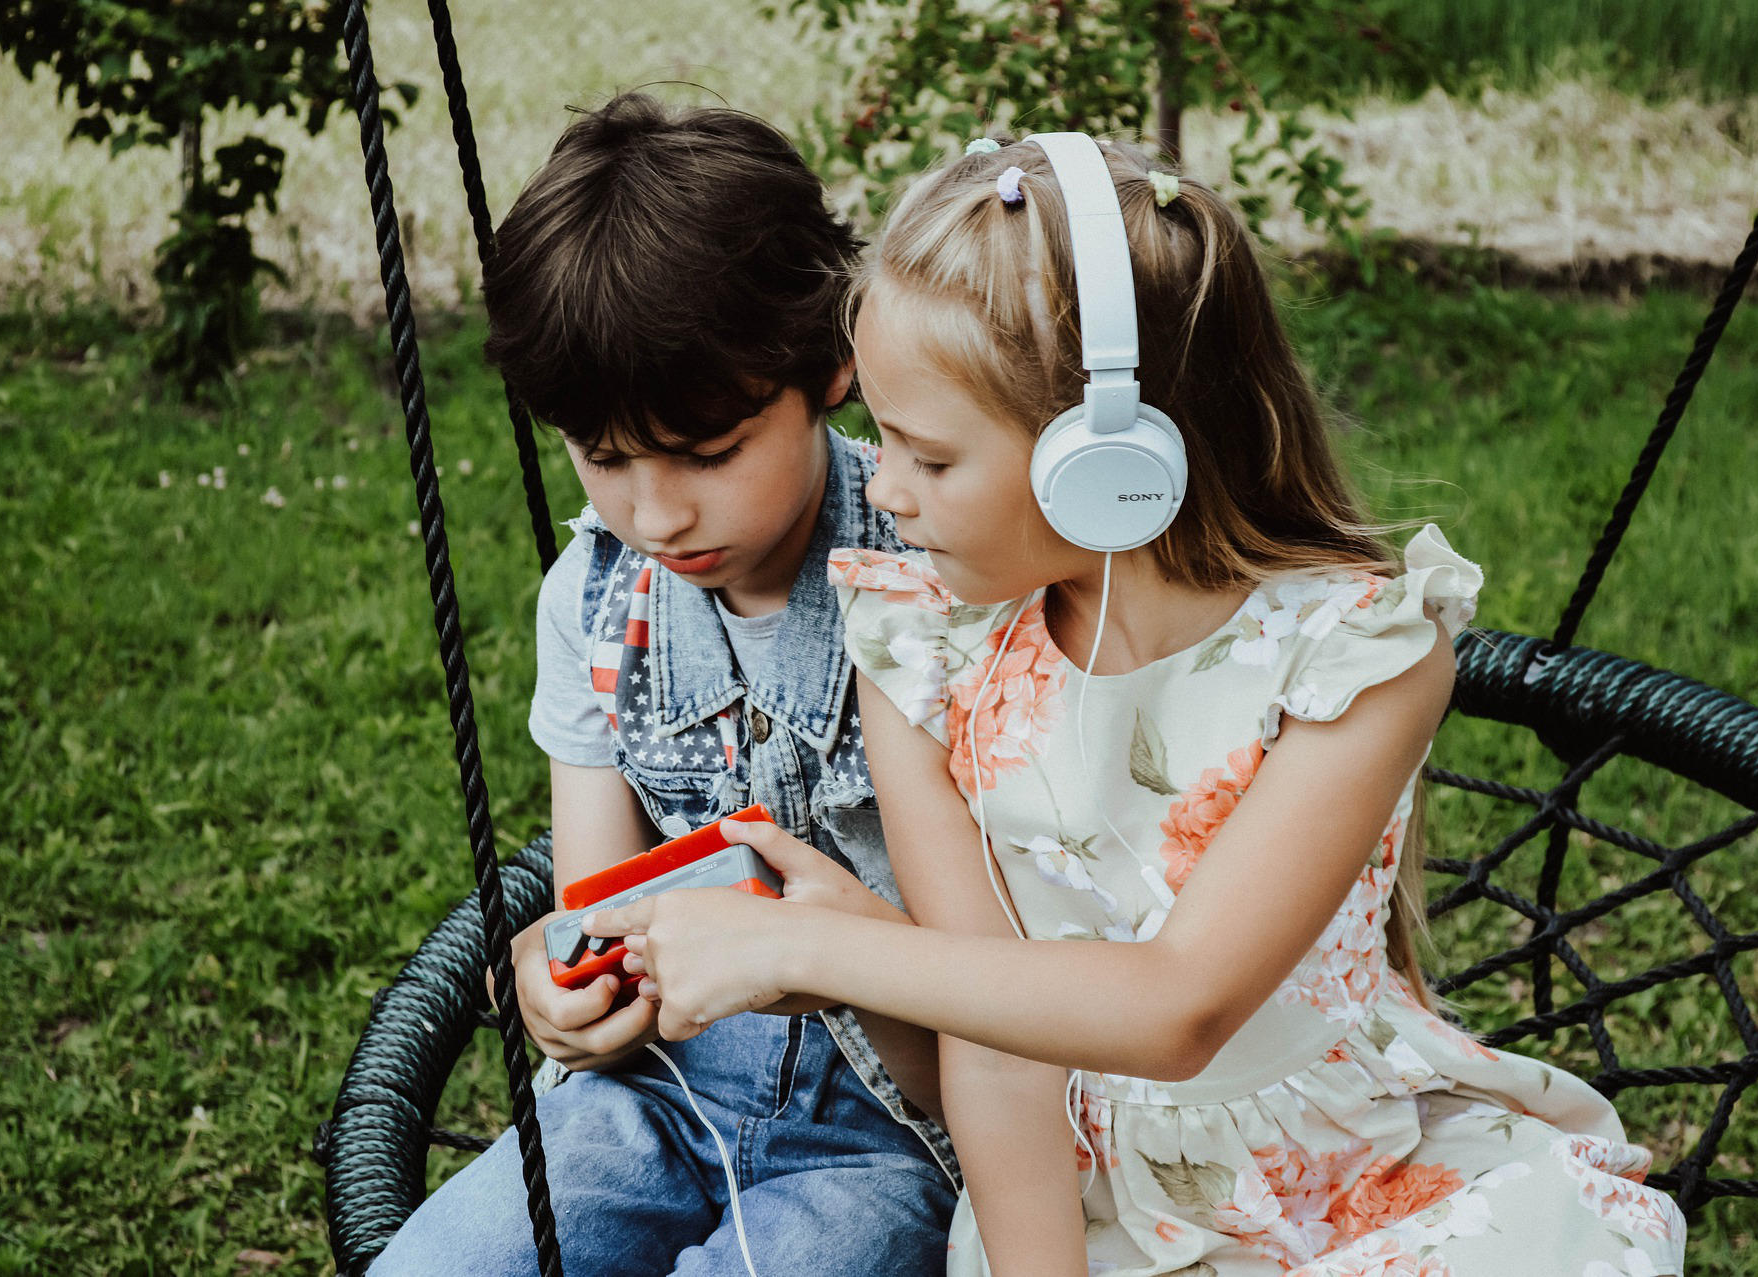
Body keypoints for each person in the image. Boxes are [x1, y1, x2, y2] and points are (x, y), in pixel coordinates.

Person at [584, 134, 1688, 1276]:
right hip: (1078, 1202)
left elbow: (1180, 1006)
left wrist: (812, 944)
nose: (888, 492)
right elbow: (995, 1046)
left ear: (1109, 464)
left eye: (928, 456)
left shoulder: (1356, 656)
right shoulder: (923, 652)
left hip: (1360, 1171)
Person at [369, 92, 957, 1277]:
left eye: (707, 453)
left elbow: (1001, 988)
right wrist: (557, 986)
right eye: (604, 456)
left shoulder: (938, 574)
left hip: (891, 1132)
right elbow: (599, 903)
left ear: (831, 364)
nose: (654, 511)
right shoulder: (591, 600)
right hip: (654, 1097)